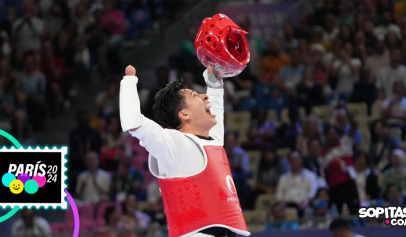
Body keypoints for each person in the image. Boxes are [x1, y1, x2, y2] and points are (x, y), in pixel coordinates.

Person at [119, 65, 250, 236]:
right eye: (195, 95)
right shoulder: (174, 144)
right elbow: (132, 122)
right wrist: (129, 82)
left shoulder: (213, 142)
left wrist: (215, 85)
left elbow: (216, 109)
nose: (205, 96)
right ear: (184, 114)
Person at [321, 102, 360, 215]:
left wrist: (346, 109)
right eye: (330, 134)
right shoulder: (324, 154)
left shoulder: (346, 144)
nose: (332, 136)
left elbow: (354, 125)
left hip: (348, 184)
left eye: (334, 133)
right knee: (336, 215)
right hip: (335, 187)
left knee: (355, 212)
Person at [276, 151, 318, 218]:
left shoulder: (311, 176)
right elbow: (279, 195)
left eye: (296, 159)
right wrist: (283, 205)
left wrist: (306, 202)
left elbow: (312, 192)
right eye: (291, 160)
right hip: (287, 206)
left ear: (301, 160)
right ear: (289, 162)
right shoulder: (283, 178)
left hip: (304, 205)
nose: (294, 162)